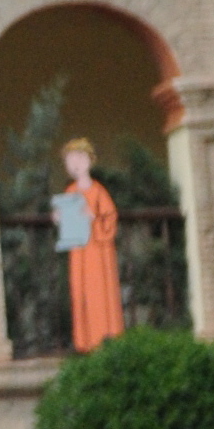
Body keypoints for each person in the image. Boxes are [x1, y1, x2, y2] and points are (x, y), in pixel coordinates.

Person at [55, 138, 125, 350]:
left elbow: (109, 218)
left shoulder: (98, 191)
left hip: (98, 251)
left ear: (89, 160)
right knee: (81, 294)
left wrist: (93, 217)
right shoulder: (70, 192)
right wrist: (59, 218)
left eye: (79, 158)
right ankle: (84, 341)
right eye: (70, 160)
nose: (75, 164)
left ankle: (104, 337)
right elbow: (68, 221)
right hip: (79, 252)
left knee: (100, 294)